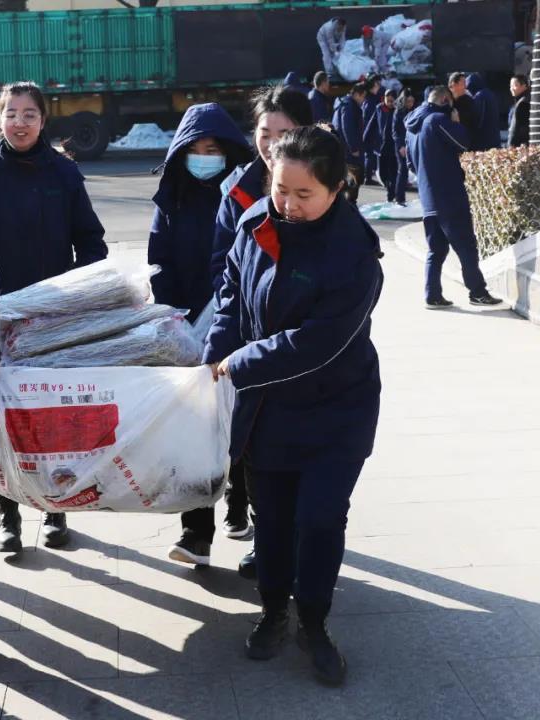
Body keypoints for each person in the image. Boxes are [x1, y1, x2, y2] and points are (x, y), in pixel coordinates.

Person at [204, 125, 384, 687]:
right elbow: (231, 295)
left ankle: (314, 622)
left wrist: (241, 362)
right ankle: (272, 612)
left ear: (336, 189)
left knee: (320, 518)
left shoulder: (354, 252)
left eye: (304, 194)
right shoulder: (256, 222)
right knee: (274, 520)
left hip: (337, 410)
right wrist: (215, 353)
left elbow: (319, 343)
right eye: (281, 189)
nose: (288, 204)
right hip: (268, 410)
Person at [0, 81, 107, 554]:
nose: (19, 123)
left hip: (55, 320)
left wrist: (78, 297)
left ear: (44, 120)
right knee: (3, 422)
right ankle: (7, 514)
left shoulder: (63, 174)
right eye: (11, 113)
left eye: (29, 114)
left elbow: (91, 242)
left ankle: (55, 509)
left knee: (54, 420)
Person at [209, 85, 313, 577]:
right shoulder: (239, 190)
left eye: (283, 133)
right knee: (257, 443)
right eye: (264, 133)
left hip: (307, 340)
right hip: (251, 341)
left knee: (301, 448)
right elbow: (223, 267)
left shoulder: (326, 179)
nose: (271, 144)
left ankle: (299, 536)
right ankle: (266, 538)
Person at [148, 102, 256, 567]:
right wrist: (172, 321)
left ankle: (239, 502)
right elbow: (159, 262)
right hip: (189, 332)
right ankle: (196, 532)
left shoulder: (244, 195)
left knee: (241, 423)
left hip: (242, 328)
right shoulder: (171, 198)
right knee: (194, 429)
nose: (205, 158)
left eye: (214, 150)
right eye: (197, 150)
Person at [405, 86, 503, 309]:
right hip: (448, 196)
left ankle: (432, 295)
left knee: (436, 250)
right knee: (466, 246)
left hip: (428, 198)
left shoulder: (411, 128)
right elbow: (463, 143)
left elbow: (411, 163)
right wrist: (456, 123)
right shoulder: (437, 120)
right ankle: (477, 292)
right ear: (444, 100)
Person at [332, 81, 367, 202]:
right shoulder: (349, 105)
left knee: (346, 180)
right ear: (357, 94)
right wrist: (354, 148)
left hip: (342, 148)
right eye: (363, 96)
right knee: (352, 181)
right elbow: (347, 127)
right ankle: (349, 206)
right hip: (349, 151)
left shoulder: (342, 103)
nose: (363, 100)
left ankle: (346, 205)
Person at [372, 89, 399, 202]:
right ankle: (389, 187)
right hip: (381, 146)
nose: (390, 103)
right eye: (388, 101)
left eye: (392, 101)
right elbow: (372, 123)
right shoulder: (379, 108)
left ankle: (391, 193)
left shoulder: (398, 110)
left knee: (393, 171)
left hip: (394, 146)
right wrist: (365, 139)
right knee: (382, 173)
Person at [392, 88, 416, 206]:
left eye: (412, 101)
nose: (410, 104)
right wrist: (401, 146)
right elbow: (395, 131)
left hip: (411, 143)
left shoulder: (413, 111)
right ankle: (399, 198)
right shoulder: (399, 112)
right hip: (402, 145)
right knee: (403, 171)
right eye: (408, 101)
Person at [466, 73, 501, 151]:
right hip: (494, 137)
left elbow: (478, 119)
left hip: (483, 141)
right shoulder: (490, 94)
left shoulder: (479, 96)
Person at [362, 75, 383, 185]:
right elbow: (370, 120)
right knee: (369, 155)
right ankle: (368, 177)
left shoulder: (369, 98)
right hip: (370, 131)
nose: (380, 86)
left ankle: (368, 176)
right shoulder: (370, 101)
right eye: (378, 84)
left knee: (369, 155)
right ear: (374, 84)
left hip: (369, 131)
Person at [448, 72, 480, 141]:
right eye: (463, 84)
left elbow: (474, 123)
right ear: (453, 85)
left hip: (465, 139)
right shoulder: (445, 100)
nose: (465, 87)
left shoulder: (469, 102)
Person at [507, 74, 530, 148]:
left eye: (515, 85)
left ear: (524, 86)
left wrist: (511, 145)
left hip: (519, 146)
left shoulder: (523, 103)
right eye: (511, 86)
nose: (512, 89)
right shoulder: (520, 101)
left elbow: (517, 129)